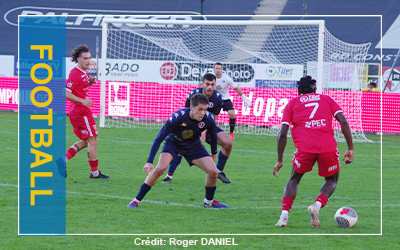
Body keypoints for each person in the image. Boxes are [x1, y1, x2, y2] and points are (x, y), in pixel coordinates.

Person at [273, 76, 354, 228]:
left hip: (305, 148)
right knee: (331, 180)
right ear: (314, 90)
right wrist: (350, 148)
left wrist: (279, 159)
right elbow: (343, 121)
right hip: (327, 147)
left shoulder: (292, 104)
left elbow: (282, 134)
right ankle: (316, 205)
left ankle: (284, 216)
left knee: (294, 179)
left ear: (299, 91)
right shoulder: (326, 99)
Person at [127, 93, 228, 209]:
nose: (202, 113)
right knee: (160, 169)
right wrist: (149, 161)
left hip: (193, 145)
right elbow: (158, 139)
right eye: (200, 109)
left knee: (213, 171)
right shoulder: (178, 117)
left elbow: (213, 134)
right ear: (191, 107)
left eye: (205, 109)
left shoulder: (208, 119)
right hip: (173, 143)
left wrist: (214, 153)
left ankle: (209, 201)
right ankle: (136, 200)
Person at [161, 73, 232, 184]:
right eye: (207, 84)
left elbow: (214, 119)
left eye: (212, 84)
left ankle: (218, 171)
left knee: (228, 143)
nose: (210, 87)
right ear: (202, 84)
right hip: (191, 127)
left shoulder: (218, 98)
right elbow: (186, 114)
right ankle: (169, 176)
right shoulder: (193, 95)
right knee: (180, 146)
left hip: (208, 127)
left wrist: (204, 131)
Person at [56, 44, 109, 179]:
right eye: (85, 58)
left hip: (80, 111)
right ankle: (95, 173)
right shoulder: (75, 73)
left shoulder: (84, 72)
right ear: (78, 59)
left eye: (89, 58)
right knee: (93, 141)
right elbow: (65, 93)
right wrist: (83, 101)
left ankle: (63, 160)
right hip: (80, 112)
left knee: (87, 141)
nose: (88, 61)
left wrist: (90, 83)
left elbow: (78, 90)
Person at [213, 62, 252, 140]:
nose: (218, 70)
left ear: (222, 69)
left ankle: (231, 133)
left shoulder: (226, 78)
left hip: (225, 99)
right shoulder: (211, 78)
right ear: (214, 69)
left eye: (219, 68)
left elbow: (236, 88)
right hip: (214, 99)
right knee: (213, 117)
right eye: (216, 68)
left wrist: (244, 98)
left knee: (232, 113)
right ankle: (208, 132)